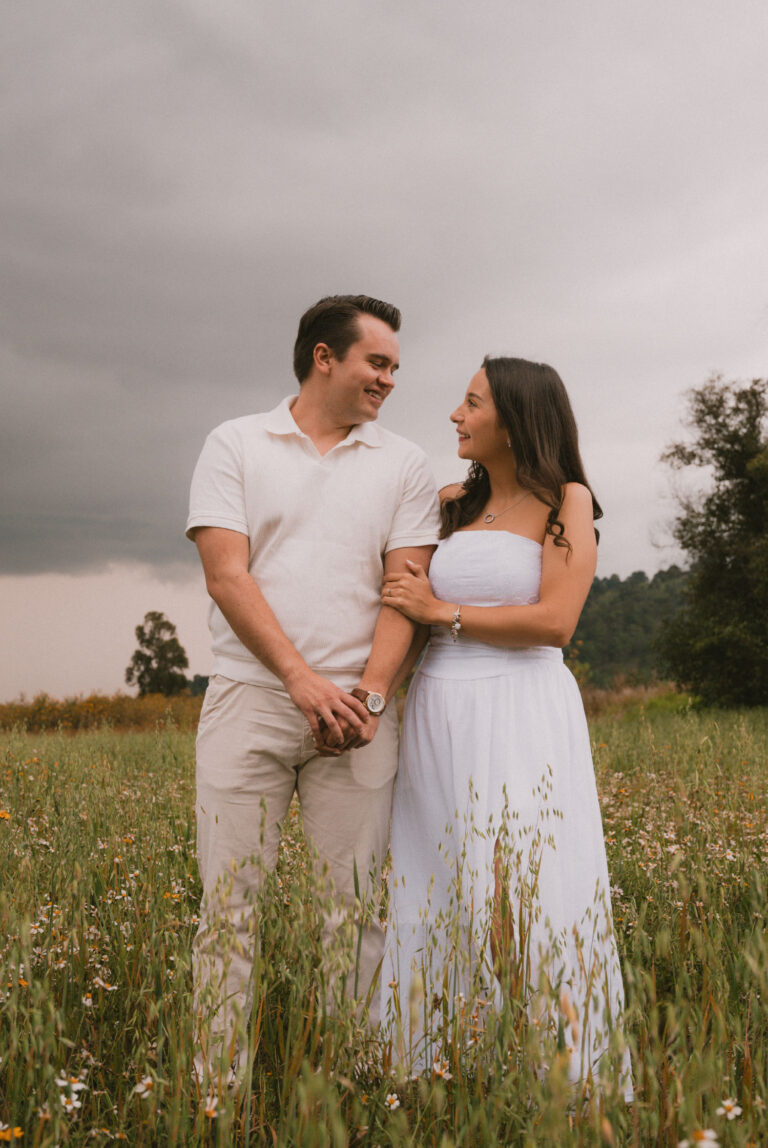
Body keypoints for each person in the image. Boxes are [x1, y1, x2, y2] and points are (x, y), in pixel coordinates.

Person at [186, 294, 440, 1082]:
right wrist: (299, 681)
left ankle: (351, 1082)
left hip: (361, 715)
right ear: (324, 358)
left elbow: (406, 589)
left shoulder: (406, 463)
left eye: (394, 367)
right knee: (229, 907)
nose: (389, 379)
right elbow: (227, 576)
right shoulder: (234, 444)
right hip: (249, 700)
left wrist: (370, 696)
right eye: (377, 362)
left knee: (354, 911)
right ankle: (217, 1090)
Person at [379, 356, 631, 1097]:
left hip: (521, 708)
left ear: (515, 419)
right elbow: (404, 598)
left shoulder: (566, 500)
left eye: (472, 403)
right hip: (439, 704)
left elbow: (555, 622)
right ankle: (447, 1066)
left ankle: (549, 1070)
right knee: (438, 882)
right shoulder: (452, 503)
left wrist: (441, 610)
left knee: (515, 893)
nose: (456, 416)